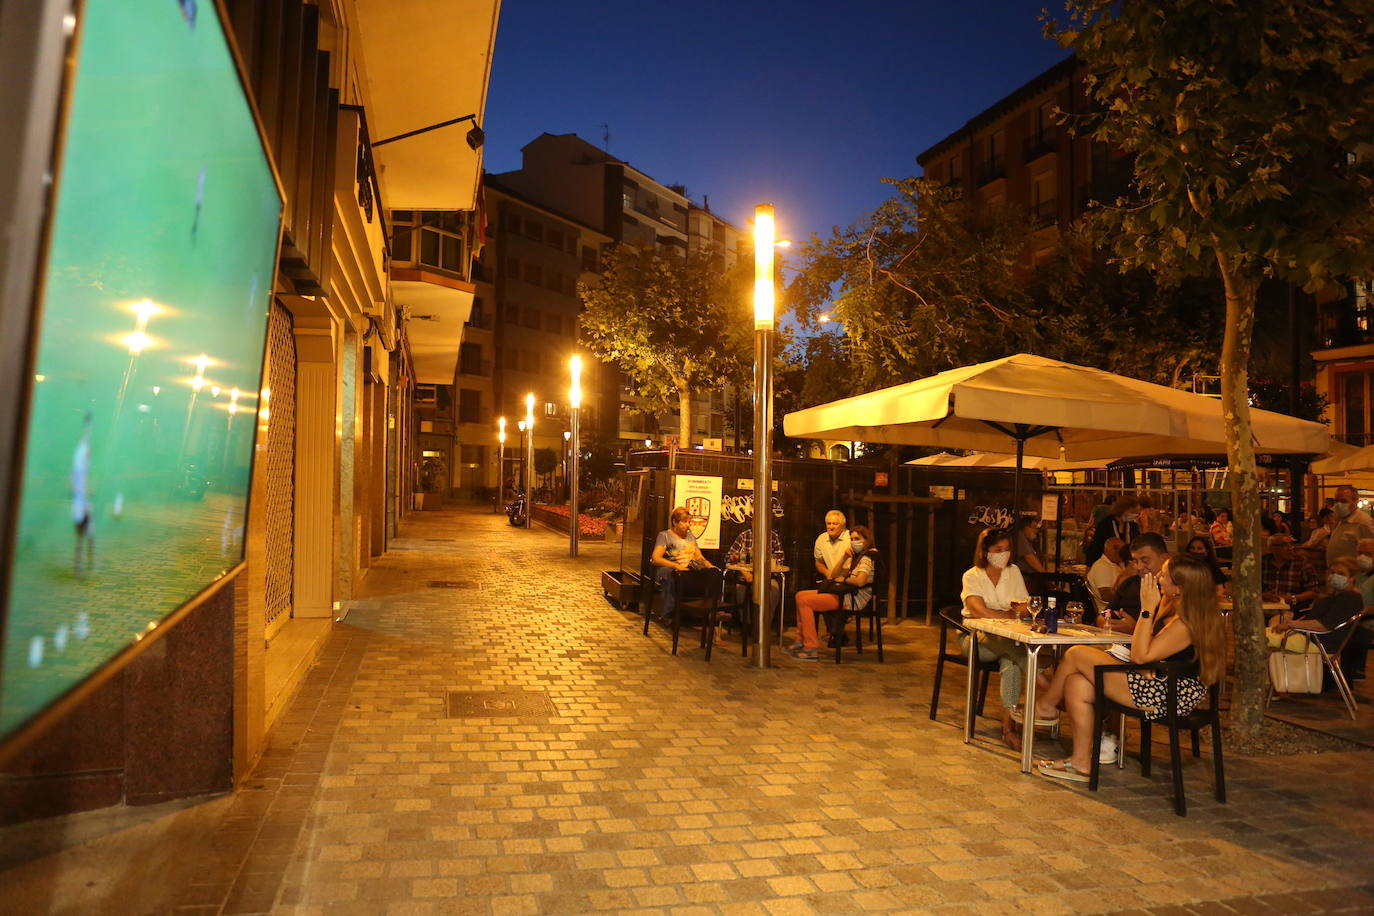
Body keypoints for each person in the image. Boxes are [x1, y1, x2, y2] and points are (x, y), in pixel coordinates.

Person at [1032, 554, 1226, 783]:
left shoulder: (1185, 624)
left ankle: (1046, 707)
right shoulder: (1176, 611)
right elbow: (1148, 652)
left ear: (1179, 588)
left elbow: (1141, 654)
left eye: (1164, 575)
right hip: (1160, 682)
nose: (1158, 578)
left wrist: (1146, 609)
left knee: (1075, 653)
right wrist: (1145, 660)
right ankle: (1081, 761)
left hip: (1168, 695)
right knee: (1077, 683)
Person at [959, 528, 1032, 750]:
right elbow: (979, 611)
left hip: (1009, 638)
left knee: (1011, 662)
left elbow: (1025, 606)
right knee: (1012, 649)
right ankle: (1041, 679)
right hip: (975, 638)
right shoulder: (972, 575)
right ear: (985, 551)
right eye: (998, 550)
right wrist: (1007, 614)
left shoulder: (1014, 572)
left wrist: (1014, 613)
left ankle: (1008, 729)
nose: (1004, 554)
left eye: (1007, 549)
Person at [1268, 555, 1372, 682]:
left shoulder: (1349, 598)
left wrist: (1291, 624)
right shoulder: (1335, 595)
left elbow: (1322, 625)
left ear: (1352, 578)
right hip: (1312, 638)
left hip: (1320, 643)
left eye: (1341, 573)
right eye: (1332, 572)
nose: (1335, 576)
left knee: (1262, 640)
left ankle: (1269, 684)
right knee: (1266, 632)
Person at [789, 525, 875, 661]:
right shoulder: (857, 557)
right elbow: (833, 575)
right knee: (800, 595)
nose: (854, 542)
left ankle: (811, 648)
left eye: (857, 539)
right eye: (852, 539)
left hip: (852, 598)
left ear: (866, 539)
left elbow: (860, 581)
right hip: (846, 594)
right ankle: (801, 639)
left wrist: (845, 579)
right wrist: (844, 557)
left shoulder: (867, 557)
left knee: (805, 602)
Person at [650, 507, 717, 622]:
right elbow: (656, 558)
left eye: (689, 522)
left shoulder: (690, 536)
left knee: (711, 574)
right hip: (668, 568)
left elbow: (698, 556)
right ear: (675, 522)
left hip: (687, 568)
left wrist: (709, 566)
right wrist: (676, 566)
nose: (688, 525)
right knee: (671, 575)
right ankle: (668, 613)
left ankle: (709, 611)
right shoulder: (665, 536)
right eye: (684, 522)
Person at [1102, 532, 1169, 633]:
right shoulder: (1129, 583)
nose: (1139, 567)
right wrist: (1104, 621)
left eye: (1145, 561)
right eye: (1135, 561)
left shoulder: (1170, 589)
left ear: (1164, 559)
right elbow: (1107, 611)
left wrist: (1135, 628)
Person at [1260, 534, 1319, 610]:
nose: (1290, 548)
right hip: (1265, 606)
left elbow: (1314, 592)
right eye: (1284, 545)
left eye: (1291, 544)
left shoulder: (1301, 562)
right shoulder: (1262, 563)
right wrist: (1263, 595)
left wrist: (1293, 598)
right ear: (1272, 548)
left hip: (1293, 608)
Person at [1084, 495, 1140, 565]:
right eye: (1133, 513)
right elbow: (1095, 548)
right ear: (1123, 510)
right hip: (1106, 565)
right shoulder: (1105, 524)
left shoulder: (1133, 526)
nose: (1135, 516)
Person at [1327, 485, 1374, 566]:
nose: (1338, 504)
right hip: (1339, 573)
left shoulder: (1363, 522)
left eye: (1343, 501)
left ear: (1355, 501)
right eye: (1336, 501)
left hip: (1353, 574)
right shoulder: (1342, 519)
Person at [1086, 536, 1125, 607]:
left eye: (1122, 549)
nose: (1119, 551)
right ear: (1106, 549)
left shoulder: (1119, 564)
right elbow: (1106, 596)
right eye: (1115, 548)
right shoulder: (1101, 566)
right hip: (1107, 612)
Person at [813, 510, 851, 581]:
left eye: (835, 524)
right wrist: (826, 572)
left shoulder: (851, 538)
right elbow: (818, 562)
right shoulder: (821, 539)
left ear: (843, 525)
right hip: (831, 580)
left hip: (848, 580)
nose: (831, 527)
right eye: (828, 523)